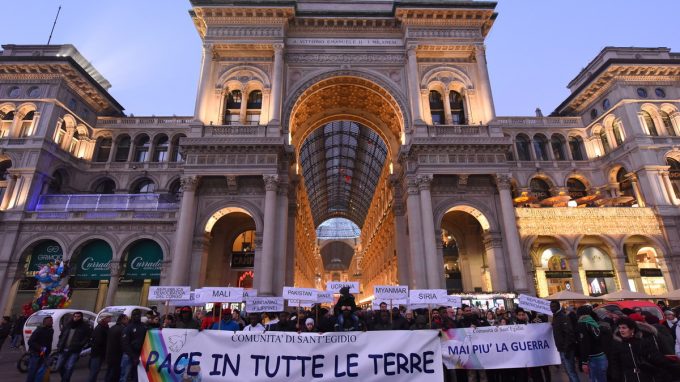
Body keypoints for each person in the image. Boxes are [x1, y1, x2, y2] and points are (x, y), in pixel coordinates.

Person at [610, 316, 680, 381]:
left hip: (646, 376)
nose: (621, 330)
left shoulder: (642, 342)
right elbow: (615, 363)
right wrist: (616, 377)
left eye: (624, 328)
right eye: (619, 328)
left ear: (632, 329)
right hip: (628, 378)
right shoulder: (617, 344)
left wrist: (671, 366)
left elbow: (655, 357)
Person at [55, 311, 92, 382]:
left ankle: (65, 380)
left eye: (78, 317)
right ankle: (65, 379)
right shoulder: (68, 325)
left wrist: (81, 344)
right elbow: (61, 336)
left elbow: (88, 337)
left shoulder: (84, 326)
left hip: (75, 350)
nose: (76, 318)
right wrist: (59, 345)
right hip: (63, 348)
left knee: (69, 367)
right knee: (58, 367)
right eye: (75, 316)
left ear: (81, 317)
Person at [576, 305, 607, 382]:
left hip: (592, 357)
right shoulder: (593, 322)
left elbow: (584, 344)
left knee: (594, 379)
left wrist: (584, 362)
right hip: (602, 355)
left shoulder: (582, 324)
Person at [549, 301, 578, 382]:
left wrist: (566, 349)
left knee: (571, 371)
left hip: (566, 350)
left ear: (558, 307)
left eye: (553, 306)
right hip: (562, 349)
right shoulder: (556, 317)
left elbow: (569, 334)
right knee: (569, 372)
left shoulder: (562, 317)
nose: (551, 308)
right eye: (551, 306)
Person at [120, 309, 147, 382]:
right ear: (132, 316)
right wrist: (133, 356)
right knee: (124, 377)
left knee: (136, 376)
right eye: (135, 315)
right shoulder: (128, 327)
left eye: (138, 315)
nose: (136, 316)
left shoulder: (144, 326)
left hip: (139, 355)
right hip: (128, 355)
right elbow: (125, 344)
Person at [26, 316, 53, 382]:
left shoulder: (51, 330)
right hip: (36, 354)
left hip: (45, 354)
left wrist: (48, 351)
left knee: (42, 370)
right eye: (50, 321)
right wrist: (40, 348)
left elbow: (49, 342)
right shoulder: (39, 330)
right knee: (33, 370)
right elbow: (30, 342)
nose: (51, 322)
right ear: (45, 322)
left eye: (52, 320)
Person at [105, 314, 128, 382]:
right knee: (114, 374)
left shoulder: (112, 327)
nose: (127, 321)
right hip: (117, 355)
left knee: (109, 372)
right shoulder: (123, 329)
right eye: (126, 319)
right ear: (122, 319)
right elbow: (123, 343)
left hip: (110, 353)